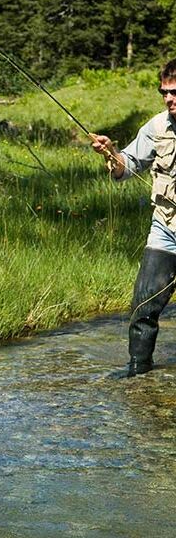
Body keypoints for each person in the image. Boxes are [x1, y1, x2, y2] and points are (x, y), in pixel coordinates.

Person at [91, 59, 176, 377]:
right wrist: (111, 154)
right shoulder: (156, 127)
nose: (169, 99)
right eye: (164, 93)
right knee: (143, 307)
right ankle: (138, 375)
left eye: (175, 93)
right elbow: (126, 167)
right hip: (165, 228)